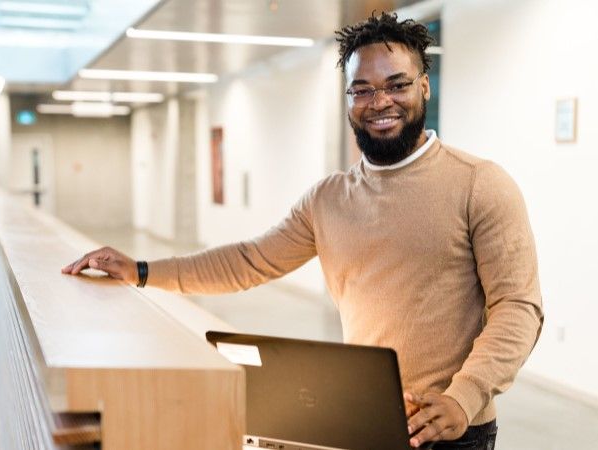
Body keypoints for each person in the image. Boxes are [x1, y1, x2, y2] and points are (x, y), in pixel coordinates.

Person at [62, 12, 543, 450]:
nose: (380, 102)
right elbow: (248, 261)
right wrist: (141, 270)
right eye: (363, 89)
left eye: (397, 85)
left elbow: (519, 309)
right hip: (364, 418)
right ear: (349, 97)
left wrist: (464, 397)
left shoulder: (480, 184)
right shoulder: (328, 198)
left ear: (424, 87)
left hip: (450, 429)